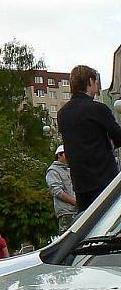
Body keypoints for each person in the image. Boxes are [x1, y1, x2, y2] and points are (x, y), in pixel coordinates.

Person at [57, 65, 121, 212]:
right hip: (105, 180)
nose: (97, 87)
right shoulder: (98, 109)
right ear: (90, 81)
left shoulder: (62, 114)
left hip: (81, 183)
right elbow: (118, 137)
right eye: (96, 82)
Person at [46, 144, 77, 233]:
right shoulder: (53, 171)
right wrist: (74, 202)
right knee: (67, 239)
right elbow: (57, 191)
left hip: (75, 211)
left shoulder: (69, 169)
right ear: (59, 155)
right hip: (66, 213)